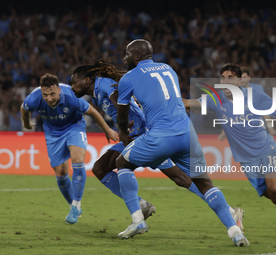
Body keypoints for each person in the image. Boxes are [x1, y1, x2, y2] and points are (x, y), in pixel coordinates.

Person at [70, 59, 245, 230]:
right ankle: (141, 205)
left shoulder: (103, 85)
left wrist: (123, 126)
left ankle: (230, 212)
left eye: (74, 82)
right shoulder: (99, 89)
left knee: (181, 178)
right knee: (100, 168)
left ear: (87, 80)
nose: (72, 86)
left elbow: (118, 99)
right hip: (134, 135)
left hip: (145, 135)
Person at [115, 39, 249, 246]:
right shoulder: (169, 69)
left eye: (127, 54)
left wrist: (123, 132)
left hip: (160, 137)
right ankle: (235, 231)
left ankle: (138, 221)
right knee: (204, 183)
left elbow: (122, 116)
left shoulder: (128, 78)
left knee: (122, 163)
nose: (124, 58)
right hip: (187, 134)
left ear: (137, 56)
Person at [183, 63, 276, 240]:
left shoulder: (255, 97)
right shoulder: (215, 100)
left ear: (240, 80)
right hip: (247, 159)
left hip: (266, 149)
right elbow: (187, 103)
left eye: (230, 77)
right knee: (275, 198)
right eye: (223, 77)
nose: (226, 81)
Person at [20, 73, 118, 224]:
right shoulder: (34, 98)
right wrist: (26, 125)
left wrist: (107, 130)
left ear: (59, 90)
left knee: (78, 160)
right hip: (53, 134)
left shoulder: (71, 96)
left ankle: (76, 204)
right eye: (45, 95)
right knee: (61, 172)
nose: (49, 98)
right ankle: (73, 205)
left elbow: (92, 112)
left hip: (74, 127)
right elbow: (24, 109)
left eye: (52, 94)